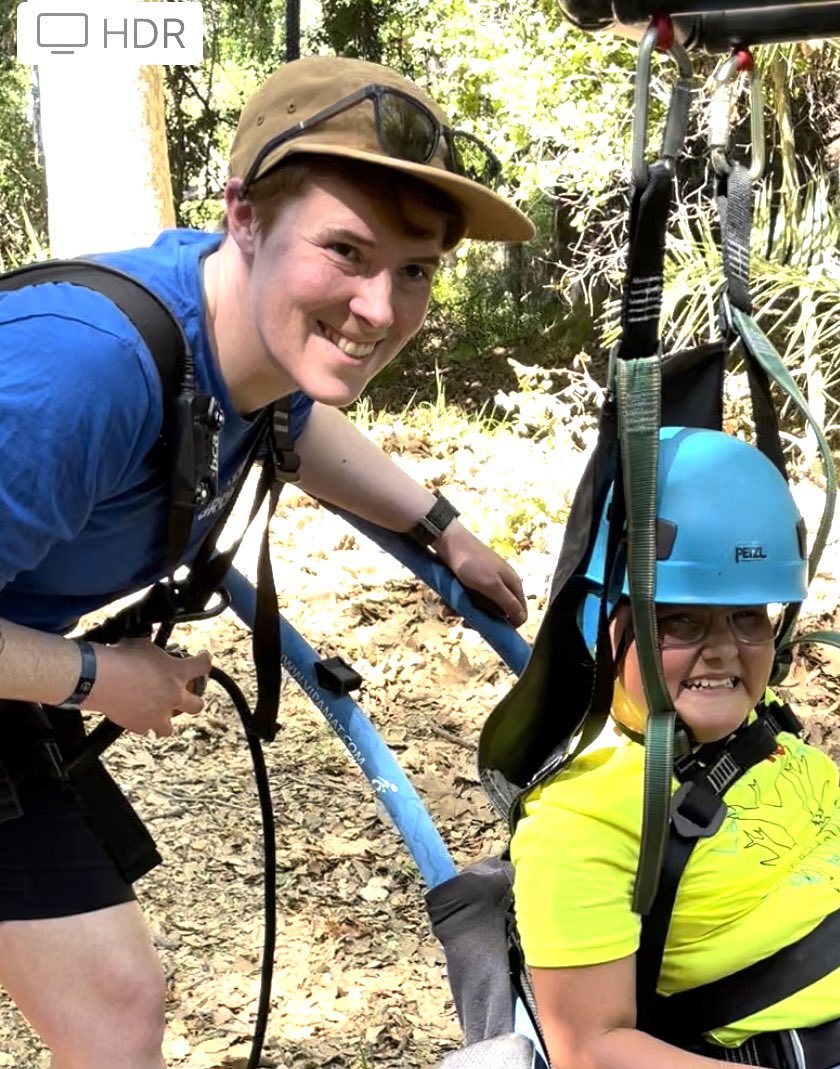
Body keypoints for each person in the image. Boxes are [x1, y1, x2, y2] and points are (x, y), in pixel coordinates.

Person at [0, 55, 533, 1069]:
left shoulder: (243, 338)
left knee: (111, 1007)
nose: (380, 309)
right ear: (243, 215)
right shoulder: (85, 375)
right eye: (346, 252)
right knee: (110, 1009)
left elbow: (296, 421)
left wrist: (440, 525)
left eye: (414, 269)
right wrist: (98, 677)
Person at [510, 426, 840, 1069]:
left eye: (748, 617)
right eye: (681, 621)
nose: (723, 648)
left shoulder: (755, 725)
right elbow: (591, 1048)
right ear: (607, 623)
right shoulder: (580, 822)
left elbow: (836, 803)